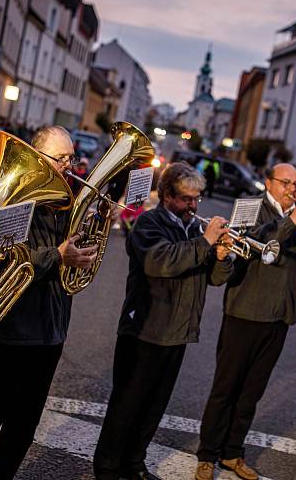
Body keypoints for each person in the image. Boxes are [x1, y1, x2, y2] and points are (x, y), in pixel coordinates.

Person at [0, 126, 97, 479]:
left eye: (71, 158)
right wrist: (59, 256)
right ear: (38, 157)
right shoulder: (17, 198)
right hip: (13, 329)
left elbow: (72, 256)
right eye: (60, 158)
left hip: (51, 332)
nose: (69, 165)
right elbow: (1, 257)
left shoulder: (70, 201)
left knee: (24, 424)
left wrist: (86, 243)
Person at [93, 162, 233, 480]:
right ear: (167, 195)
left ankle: (134, 461)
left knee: (154, 406)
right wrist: (206, 243)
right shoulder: (147, 224)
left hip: (178, 331)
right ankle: (107, 468)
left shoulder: (195, 230)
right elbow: (162, 262)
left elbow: (214, 278)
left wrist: (223, 257)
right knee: (126, 405)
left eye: (197, 199)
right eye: (186, 199)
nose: (193, 206)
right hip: (145, 329)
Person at [195, 163, 296, 480]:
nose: (292, 189)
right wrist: (291, 222)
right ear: (269, 183)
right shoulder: (251, 208)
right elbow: (254, 244)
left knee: (251, 393)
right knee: (225, 389)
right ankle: (207, 455)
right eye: (286, 183)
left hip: (280, 317)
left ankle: (232, 453)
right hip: (244, 312)